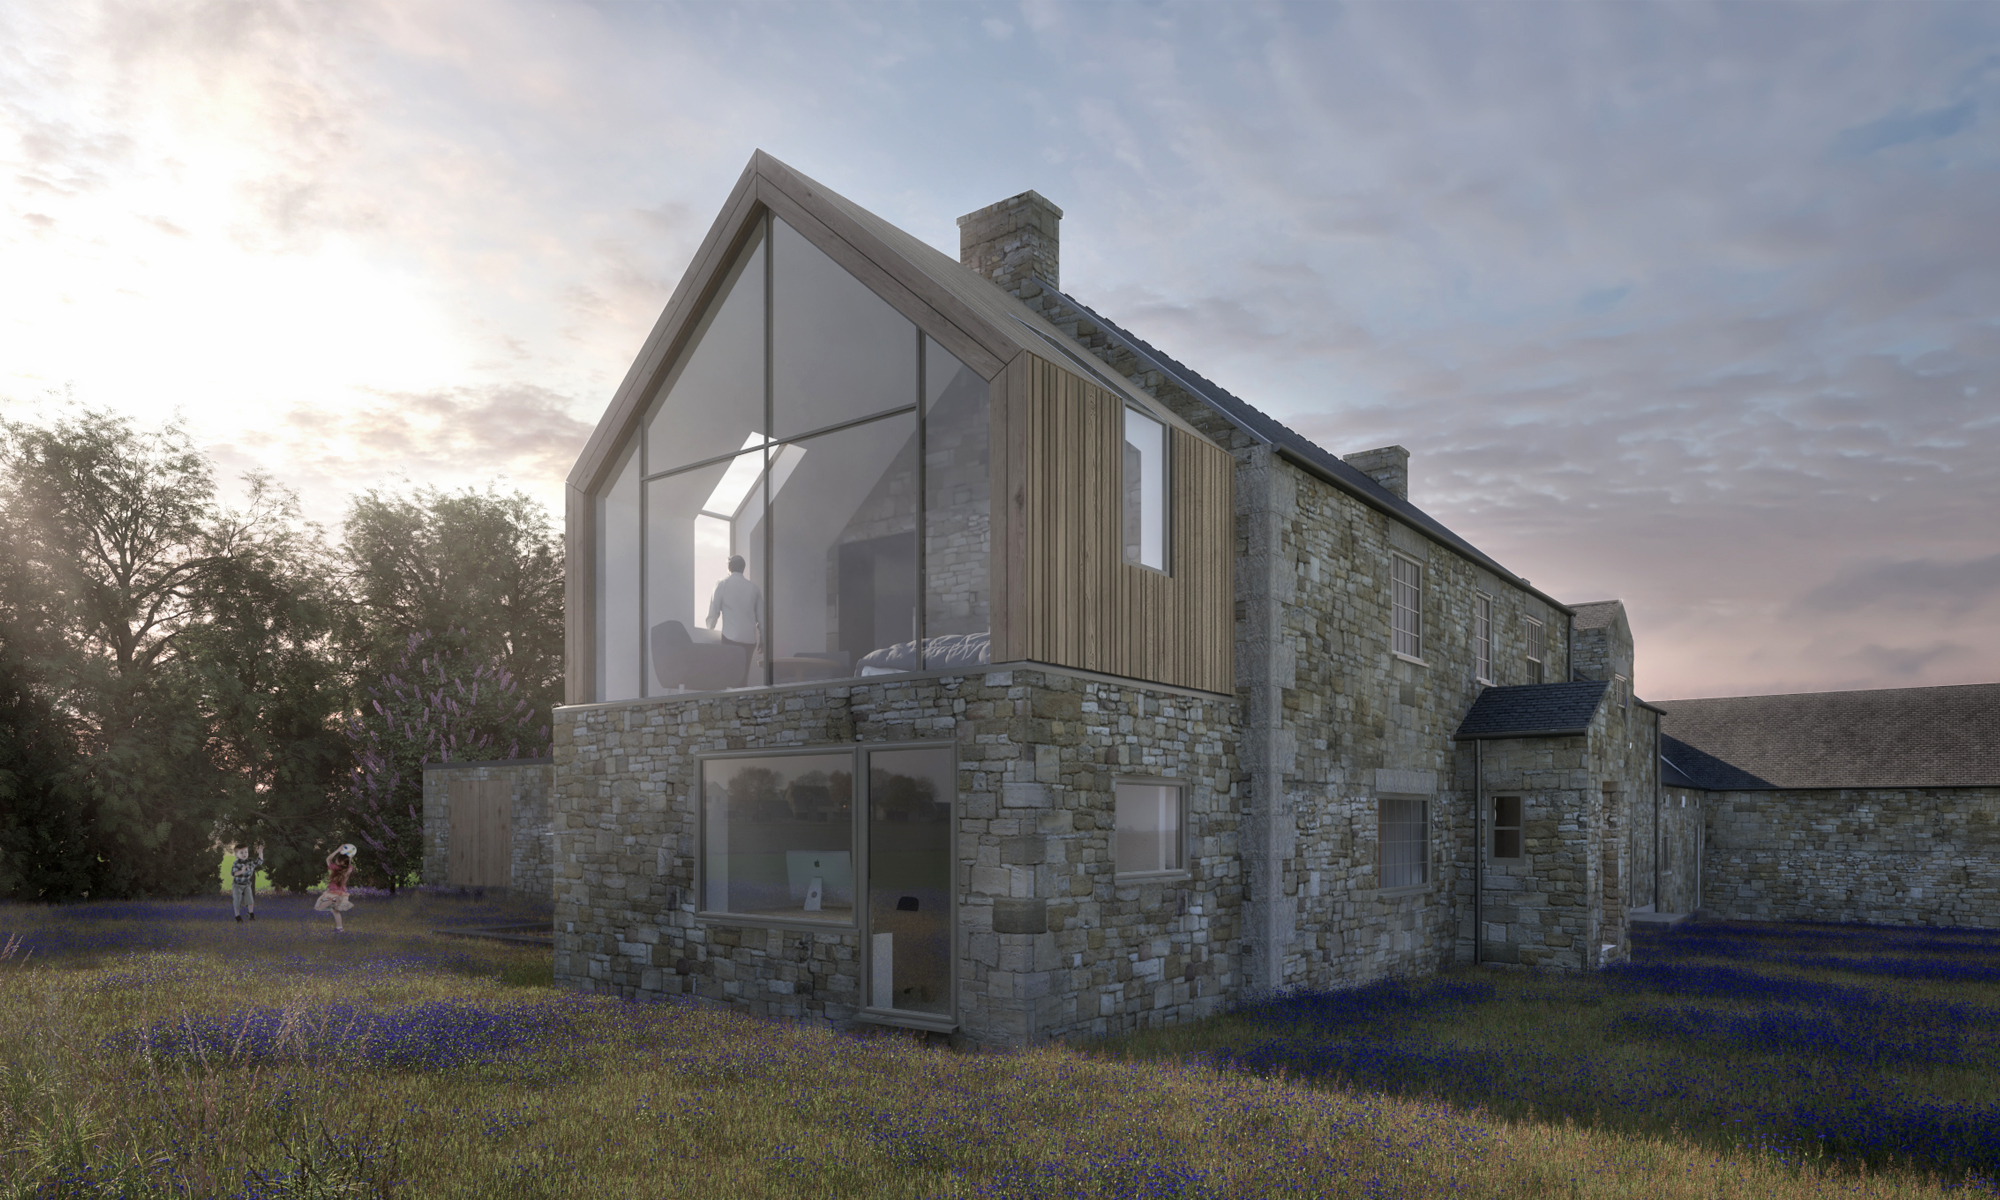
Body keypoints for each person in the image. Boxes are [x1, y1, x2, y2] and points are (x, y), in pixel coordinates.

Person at [705, 554, 761, 686]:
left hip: (730, 639)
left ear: (729, 567)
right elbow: (761, 617)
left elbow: (714, 611)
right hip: (749, 640)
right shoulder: (753, 588)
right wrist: (763, 638)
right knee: (743, 680)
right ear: (743, 568)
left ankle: (732, 704)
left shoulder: (722, 584)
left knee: (729, 679)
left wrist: (709, 630)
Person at [315, 844, 357, 932]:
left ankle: (333, 900)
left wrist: (338, 850)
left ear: (337, 861)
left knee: (318, 907)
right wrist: (350, 855)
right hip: (342, 894)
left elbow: (328, 859)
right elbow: (348, 862)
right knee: (335, 911)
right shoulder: (348, 869)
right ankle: (339, 928)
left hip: (332, 893)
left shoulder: (333, 868)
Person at [230, 846, 263, 922]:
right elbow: (234, 873)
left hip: (247, 884)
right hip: (237, 885)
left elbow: (259, 861)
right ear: (236, 854)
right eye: (241, 852)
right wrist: (241, 871)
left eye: (246, 852)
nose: (244, 854)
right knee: (237, 900)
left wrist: (260, 853)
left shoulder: (250, 861)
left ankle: (250, 914)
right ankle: (237, 916)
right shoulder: (236, 863)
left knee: (250, 900)